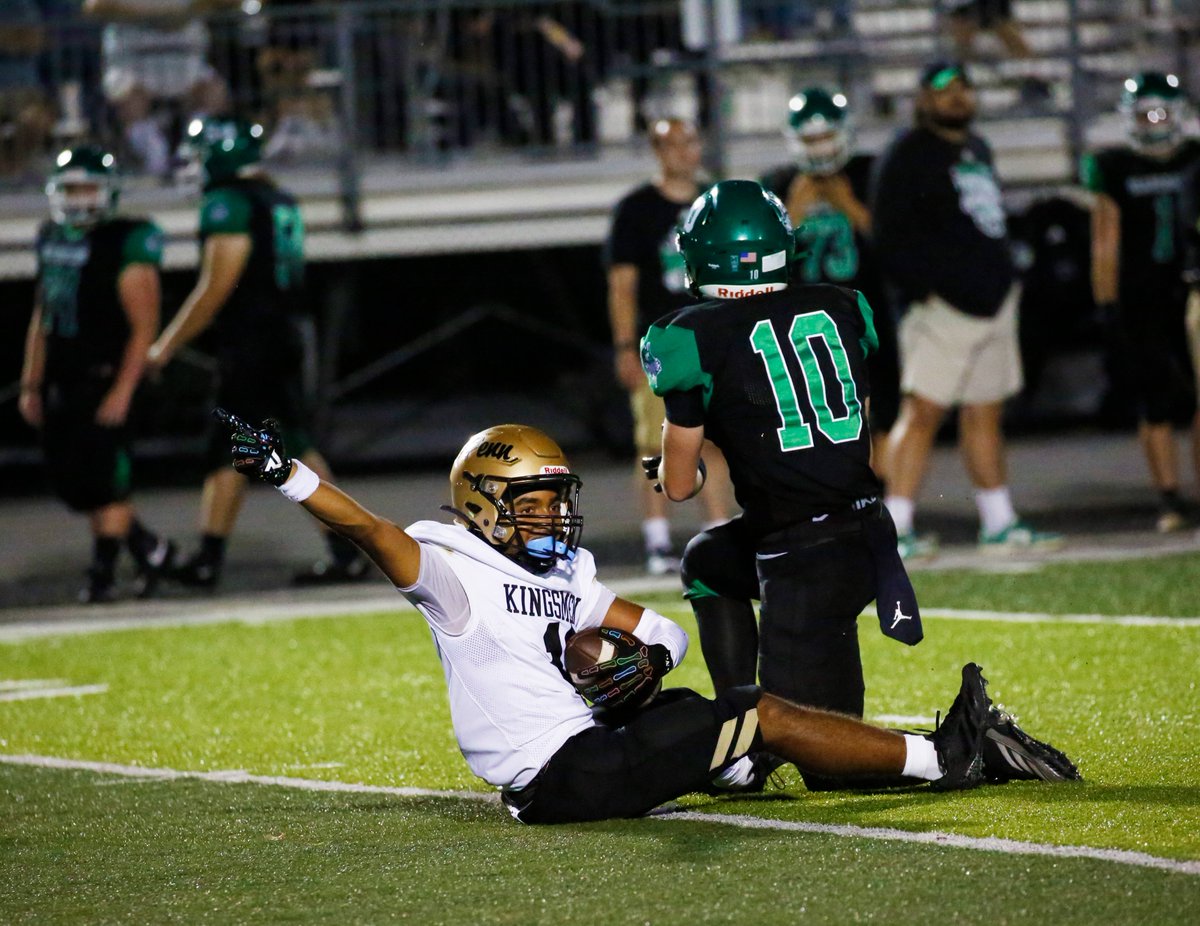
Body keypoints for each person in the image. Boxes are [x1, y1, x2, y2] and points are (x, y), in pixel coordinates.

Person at [214, 411, 1080, 822]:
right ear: (482, 505)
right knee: (757, 712)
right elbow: (364, 527)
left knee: (699, 708)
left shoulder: (562, 571)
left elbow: (657, 628)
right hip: (561, 775)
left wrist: (641, 666)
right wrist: (288, 473)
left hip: (590, 746)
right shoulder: (452, 571)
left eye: (556, 500)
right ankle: (946, 760)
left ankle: (735, 770)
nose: (553, 518)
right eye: (534, 502)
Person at [147, 116, 368, 588]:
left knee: (249, 450)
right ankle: (340, 549)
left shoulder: (228, 202)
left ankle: (213, 559)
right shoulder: (277, 197)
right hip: (282, 334)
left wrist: (166, 344)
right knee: (276, 448)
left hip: (254, 344)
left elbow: (217, 287)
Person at [870, 60, 1062, 559]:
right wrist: (925, 291)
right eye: (943, 91)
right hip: (943, 308)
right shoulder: (907, 154)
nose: (955, 98)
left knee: (985, 412)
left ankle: (998, 521)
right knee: (922, 412)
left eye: (962, 89)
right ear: (923, 101)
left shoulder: (977, 147)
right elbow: (887, 233)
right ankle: (895, 527)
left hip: (992, 302)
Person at [19, 145, 176, 603]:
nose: (79, 197)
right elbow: (43, 313)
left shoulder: (126, 238)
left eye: (87, 187)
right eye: (70, 188)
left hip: (107, 375)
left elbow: (144, 325)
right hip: (63, 377)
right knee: (78, 484)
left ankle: (102, 575)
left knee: (106, 480)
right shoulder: (51, 234)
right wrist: (32, 381)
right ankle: (151, 549)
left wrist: (124, 390)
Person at [605, 117, 732, 574]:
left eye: (690, 141)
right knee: (657, 442)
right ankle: (658, 541)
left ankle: (720, 530)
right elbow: (622, 285)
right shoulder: (637, 209)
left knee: (715, 442)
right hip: (663, 340)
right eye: (672, 144)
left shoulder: (718, 202)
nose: (683, 152)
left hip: (714, 336)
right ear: (658, 151)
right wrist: (624, 347)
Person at [761, 85, 899, 480]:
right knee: (809, 417)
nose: (820, 148)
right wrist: (793, 212)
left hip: (864, 314)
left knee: (878, 415)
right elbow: (761, 262)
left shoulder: (869, 173)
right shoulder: (777, 183)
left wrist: (850, 207)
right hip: (800, 323)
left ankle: (879, 502)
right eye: (811, 139)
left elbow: (895, 244)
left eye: (825, 137)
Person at [1085, 71, 1200, 533]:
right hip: (1142, 296)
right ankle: (1169, 497)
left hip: (1192, 291)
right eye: (1144, 114)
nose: (1153, 124)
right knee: (1156, 402)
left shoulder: (1195, 157)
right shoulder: (1113, 165)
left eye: (1160, 113)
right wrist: (1107, 304)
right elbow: (1104, 240)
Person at [83, 0, 236, 176]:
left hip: (184, 60)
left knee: (213, 91)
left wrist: (189, 11)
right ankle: (156, 158)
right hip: (133, 62)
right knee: (130, 98)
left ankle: (194, 152)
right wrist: (152, 18)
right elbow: (94, 6)